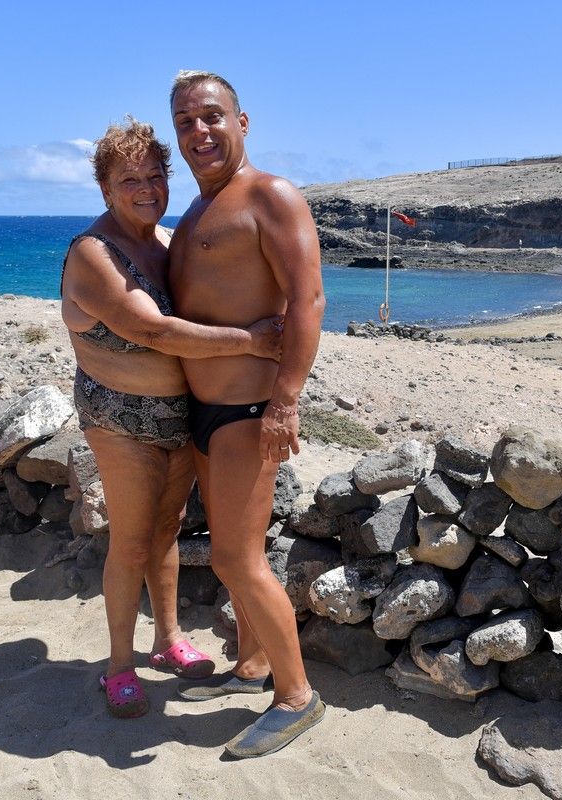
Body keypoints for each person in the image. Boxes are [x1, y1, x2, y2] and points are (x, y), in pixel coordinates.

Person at [60, 117, 284, 719]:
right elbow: (151, 329)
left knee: (168, 528)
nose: (146, 188)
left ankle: (166, 640)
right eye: (129, 178)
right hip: (119, 415)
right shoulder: (92, 252)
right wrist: (253, 341)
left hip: (177, 413)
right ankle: (117, 666)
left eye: (155, 176)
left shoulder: (161, 242)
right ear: (105, 187)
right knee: (131, 541)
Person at [167, 70, 326, 758]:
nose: (198, 133)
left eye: (210, 117)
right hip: (202, 411)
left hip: (249, 409)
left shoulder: (270, 195)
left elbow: (309, 301)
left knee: (236, 555)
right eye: (184, 123)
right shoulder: (197, 214)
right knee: (239, 555)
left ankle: (297, 697)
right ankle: (255, 665)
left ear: (242, 121)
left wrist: (286, 400)